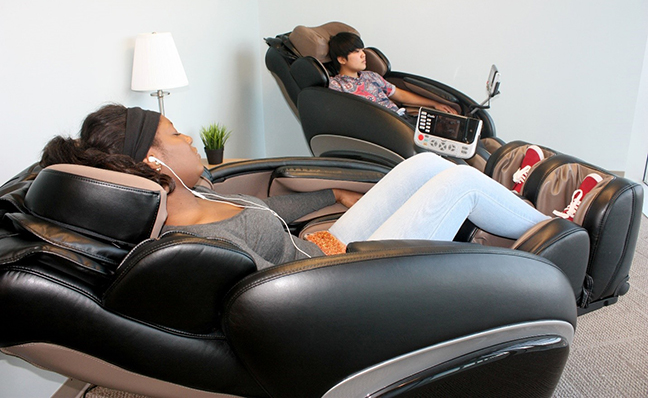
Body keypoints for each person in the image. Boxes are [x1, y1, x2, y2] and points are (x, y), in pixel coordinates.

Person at [41, 104, 550, 269]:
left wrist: (333, 197)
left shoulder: (193, 200)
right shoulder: (192, 244)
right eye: (176, 134)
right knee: (458, 183)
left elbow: (266, 208)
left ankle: (519, 206)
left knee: (421, 169)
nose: (191, 136)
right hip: (342, 277)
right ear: (154, 159)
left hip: (320, 247)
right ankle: (559, 236)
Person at [327, 32, 459, 117]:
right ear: (342, 59)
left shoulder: (372, 76)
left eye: (362, 50)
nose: (363, 54)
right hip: (385, 128)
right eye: (356, 52)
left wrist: (434, 103)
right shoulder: (336, 86)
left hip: (401, 118)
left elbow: (400, 95)